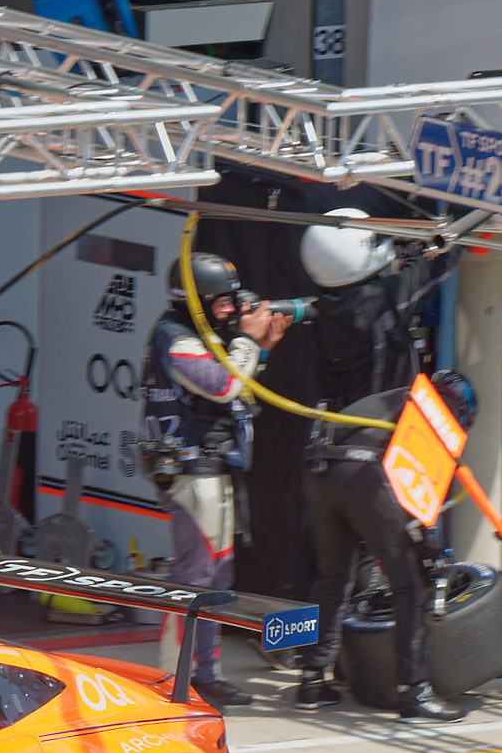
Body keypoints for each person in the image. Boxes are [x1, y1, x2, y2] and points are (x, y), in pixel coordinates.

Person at [141, 253, 288, 709]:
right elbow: (224, 386)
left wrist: (258, 349)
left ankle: (207, 675)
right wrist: (248, 341)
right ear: (198, 301)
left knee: (217, 576)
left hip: (212, 467)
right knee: (194, 578)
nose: (232, 309)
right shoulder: (175, 337)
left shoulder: (200, 334)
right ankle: (174, 681)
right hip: (189, 471)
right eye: (222, 302)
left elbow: (234, 386)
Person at [298, 370, 480, 722]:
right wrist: (430, 549)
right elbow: (420, 484)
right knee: (410, 584)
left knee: (333, 579)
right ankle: (414, 692)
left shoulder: (394, 399)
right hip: (365, 474)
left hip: (319, 471)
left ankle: (311, 681)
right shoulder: (438, 408)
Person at [299, 208, 420, 409]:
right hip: (388, 424)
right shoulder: (381, 299)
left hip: (343, 423)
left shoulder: (322, 305)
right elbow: (438, 265)